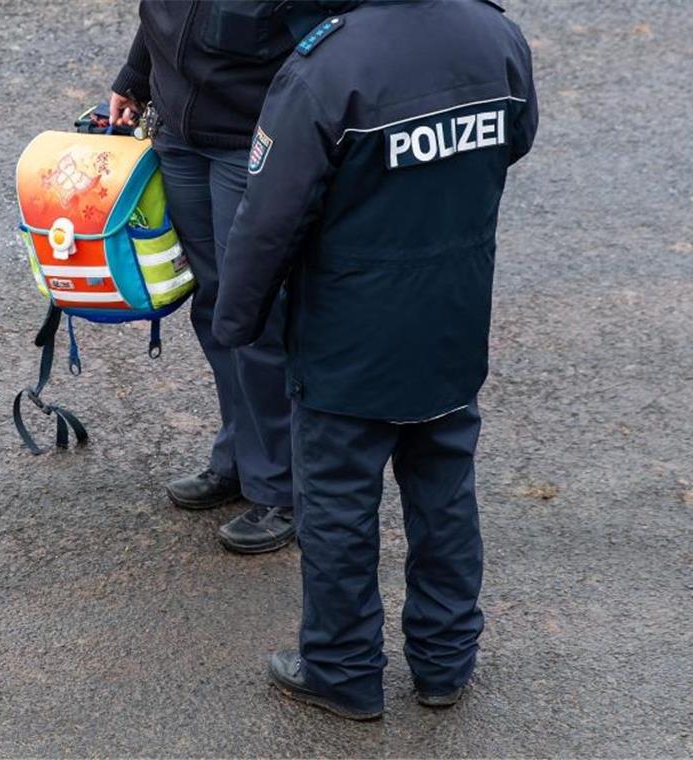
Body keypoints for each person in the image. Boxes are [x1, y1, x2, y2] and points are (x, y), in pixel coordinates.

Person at [212, 0, 538, 720]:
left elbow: (269, 217)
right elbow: (516, 139)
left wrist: (236, 318)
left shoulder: (329, 66)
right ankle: (446, 664)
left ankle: (340, 668)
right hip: (452, 323)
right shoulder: (496, 37)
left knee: (337, 510)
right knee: (445, 499)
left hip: (349, 343)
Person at [109, 1, 347, 554]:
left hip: (252, 142)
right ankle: (239, 457)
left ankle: (281, 487)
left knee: (257, 312)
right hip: (180, 136)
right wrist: (135, 76)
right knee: (215, 305)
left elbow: (331, 45)